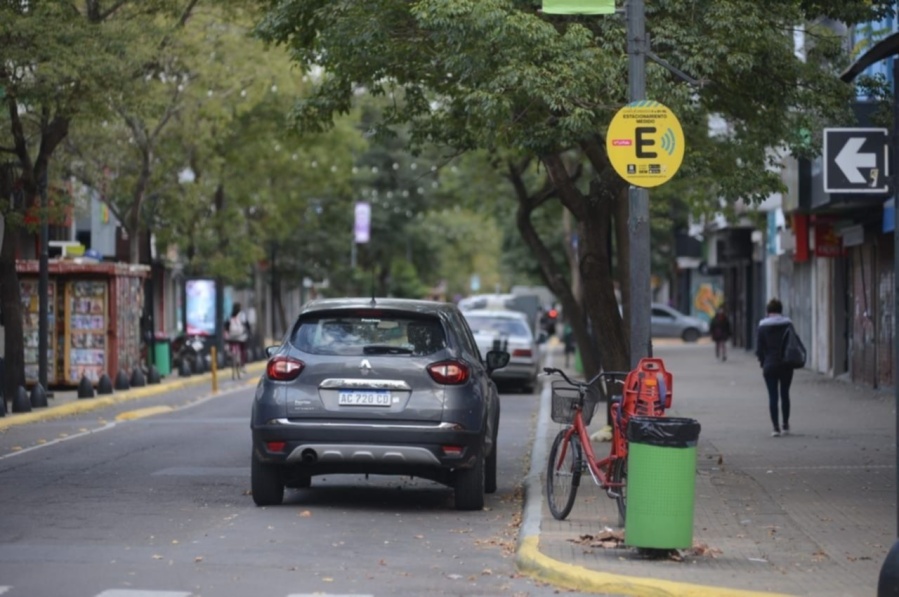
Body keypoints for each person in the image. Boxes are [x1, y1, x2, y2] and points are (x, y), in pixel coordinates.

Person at [755, 298, 794, 437]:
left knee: (773, 396)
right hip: (786, 364)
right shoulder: (788, 324)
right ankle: (785, 425)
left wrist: (763, 362)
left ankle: (775, 428)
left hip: (770, 365)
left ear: (768, 311)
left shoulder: (762, 327)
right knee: (785, 394)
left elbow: (759, 349)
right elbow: (793, 343)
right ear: (780, 310)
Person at [224, 303, 250, 371]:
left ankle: (230, 354)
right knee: (243, 348)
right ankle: (243, 365)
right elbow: (247, 325)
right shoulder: (242, 315)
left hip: (232, 336)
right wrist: (248, 332)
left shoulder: (230, 316)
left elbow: (226, 326)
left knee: (230, 344)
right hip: (240, 336)